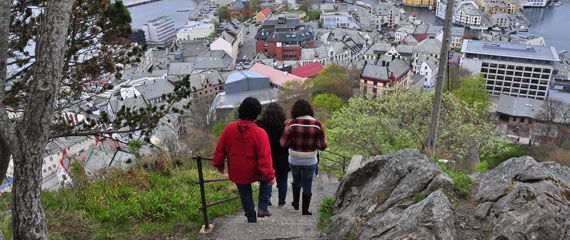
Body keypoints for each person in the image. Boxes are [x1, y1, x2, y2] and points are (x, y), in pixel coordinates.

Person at [213, 97, 275, 223]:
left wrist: (219, 165)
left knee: (245, 193)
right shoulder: (260, 133)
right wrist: (270, 175)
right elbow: (265, 158)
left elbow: (220, 149)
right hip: (255, 169)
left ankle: (251, 219)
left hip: (238, 171)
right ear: (257, 113)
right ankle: (262, 207)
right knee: (267, 181)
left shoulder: (229, 129)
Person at [280, 99, 327, 215]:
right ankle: (305, 210)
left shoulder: (291, 124)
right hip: (310, 160)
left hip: (294, 158)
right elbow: (323, 146)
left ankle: (296, 203)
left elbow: (282, 143)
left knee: (296, 179)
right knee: (307, 183)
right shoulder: (317, 125)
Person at [256, 103, 290, 208]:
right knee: (283, 180)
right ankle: (281, 202)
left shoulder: (260, 125)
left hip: (265, 157)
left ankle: (267, 199)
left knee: (266, 179)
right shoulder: (284, 126)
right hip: (282, 157)